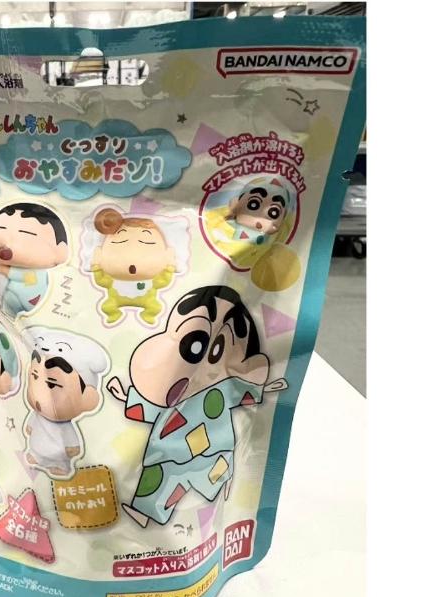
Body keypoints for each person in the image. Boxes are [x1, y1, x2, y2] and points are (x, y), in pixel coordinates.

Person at [106, 286, 288, 527]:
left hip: (211, 452)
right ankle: (145, 511)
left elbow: (244, 392)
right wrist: (125, 396)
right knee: (162, 477)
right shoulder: (177, 393)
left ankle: (219, 508)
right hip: (170, 452)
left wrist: (268, 387)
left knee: (211, 479)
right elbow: (155, 406)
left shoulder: (223, 389)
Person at [21, 327, 109, 479]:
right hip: (36, 444)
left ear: (87, 398)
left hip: (58, 454)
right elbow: (31, 424)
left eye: (52, 384)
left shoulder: (66, 426)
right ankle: (36, 456)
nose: (39, 394)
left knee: (59, 460)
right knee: (36, 451)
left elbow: (72, 442)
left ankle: (60, 466)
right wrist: (30, 427)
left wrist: (72, 448)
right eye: (35, 377)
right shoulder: (37, 414)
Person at [87, 207, 181, 325]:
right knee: (107, 307)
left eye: (147, 243)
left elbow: (163, 281)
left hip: (148, 299)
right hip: (114, 299)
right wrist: (96, 266)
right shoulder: (112, 279)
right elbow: (101, 281)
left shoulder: (152, 280)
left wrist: (169, 266)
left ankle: (148, 315)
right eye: (120, 242)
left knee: (155, 307)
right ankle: (114, 314)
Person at [0, 203, 69, 318]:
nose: (6, 247)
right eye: (0, 229)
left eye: (26, 233)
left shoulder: (42, 273)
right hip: (9, 300)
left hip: (37, 300)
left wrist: (8, 271)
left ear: (61, 249)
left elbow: (30, 278)